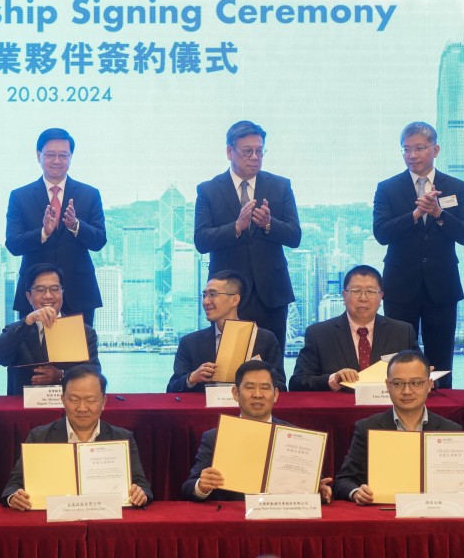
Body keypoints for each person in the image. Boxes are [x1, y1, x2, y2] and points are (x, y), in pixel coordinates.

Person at [373, 122, 464, 390]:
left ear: (435, 149)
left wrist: (439, 214)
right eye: (406, 149)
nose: (412, 155)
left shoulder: (456, 187)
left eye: (419, 148)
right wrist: (416, 215)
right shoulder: (388, 188)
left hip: (442, 287)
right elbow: (381, 233)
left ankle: (443, 418)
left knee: (441, 362)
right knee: (399, 359)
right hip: (399, 286)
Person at [194, 121, 301, 350]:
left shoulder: (280, 186)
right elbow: (201, 240)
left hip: (272, 294)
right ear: (229, 151)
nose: (255, 157)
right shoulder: (208, 190)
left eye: (260, 151)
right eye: (247, 151)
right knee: (229, 366)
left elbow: (294, 236)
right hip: (228, 295)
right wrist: (237, 227)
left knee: (272, 367)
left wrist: (269, 224)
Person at [333, 350, 464, 504]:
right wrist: (356, 493)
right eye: (398, 383)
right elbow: (343, 481)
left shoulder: (452, 430)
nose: (407, 391)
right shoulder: (368, 428)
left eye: (416, 383)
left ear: (429, 385)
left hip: (436, 513)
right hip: (385, 516)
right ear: (387, 385)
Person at [2, 364, 152, 510]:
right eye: (74, 399)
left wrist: (141, 493)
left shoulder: (122, 438)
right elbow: (14, 485)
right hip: (54, 523)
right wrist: (14, 496)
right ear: (62, 399)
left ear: (103, 402)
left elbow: (141, 484)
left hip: (105, 521)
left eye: (91, 400)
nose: (82, 408)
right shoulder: (39, 437)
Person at [182, 360, 332, 503]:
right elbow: (189, 488)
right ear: (235, 393)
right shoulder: (215, 437)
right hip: (234, 521)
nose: (258, 394)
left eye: (265, 388)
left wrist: (318, 490)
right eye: (250, 387)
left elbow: (313, 488)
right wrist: (201, 486)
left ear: (276, 395)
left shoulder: (297, 437)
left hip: (281, 520)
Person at [6, 128, 106, 326]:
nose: (57, 160)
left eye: (63, 155)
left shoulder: (89, 194)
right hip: (35, 295)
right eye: (50, 155)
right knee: (35, 355)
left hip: (79, 293)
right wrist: (43, 233)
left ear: (71, 157)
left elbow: (99, 240)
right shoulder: (20, 196)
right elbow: (13, 245)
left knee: (78, 355)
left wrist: (76, 225)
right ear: (38, 156)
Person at [290, 265, 420, 391]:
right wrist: (332, 379)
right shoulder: (318, 334)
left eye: (370, 291)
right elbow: (297, 382)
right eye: (356, 291)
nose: (363, 298)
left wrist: (426, 379)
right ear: (344, 295)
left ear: (381, 297)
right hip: (340, 410)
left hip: (387, 410)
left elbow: (428, 377)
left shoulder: (402, 332)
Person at [0, 263, 101, 396]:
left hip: (67, 408)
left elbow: (93, 372)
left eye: (54, 289)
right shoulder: (17, 330)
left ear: (62, 293)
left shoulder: (84, 331)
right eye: (40, 290)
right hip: (23, 410)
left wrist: (61, 375)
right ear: (29, 296)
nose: (48, 296)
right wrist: (28, 322)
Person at [167, 270, 286, 393]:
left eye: (213, 295)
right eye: (204, 295)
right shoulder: (190, 342)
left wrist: (256, 381)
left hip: (248, 411)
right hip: (206, 410)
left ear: (234, 300)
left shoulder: (264, 339)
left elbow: (281, 386)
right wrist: (192, 378)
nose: (206, 302)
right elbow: (171, 389)